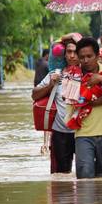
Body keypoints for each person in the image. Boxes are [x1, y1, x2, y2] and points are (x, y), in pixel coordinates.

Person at [72, 37, 102, 179]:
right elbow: (72, 101)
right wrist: (96, 99)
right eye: (82, 57)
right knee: (84, 176)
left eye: (89, 56)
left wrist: (101, 79)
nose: (85, 60)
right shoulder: (73, 76)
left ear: (97, 56)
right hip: (83, 133)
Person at [32, 40, 80, 174]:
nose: (72, 56)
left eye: (75, 52)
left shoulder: (87, 74)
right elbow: (34, 95)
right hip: (60, 133)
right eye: (69, 52)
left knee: (85, 174)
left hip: (83, 132)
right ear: (64, 55)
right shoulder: (55, 74)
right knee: (61, 176)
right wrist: (50, 85)